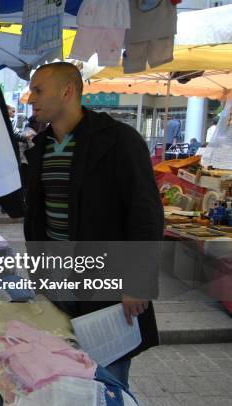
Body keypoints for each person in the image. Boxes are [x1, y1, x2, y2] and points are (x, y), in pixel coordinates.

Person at [24, 62, 163, 387]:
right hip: (56, 282)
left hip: (106, 285)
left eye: (39, 90)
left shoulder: (117, 140)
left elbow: (146, 213)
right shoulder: (42, 147)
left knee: (108, 380)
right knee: (67, 376)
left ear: (68, 91)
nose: (31, 98)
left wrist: (138, 281)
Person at [0, 105, 19, 216]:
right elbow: (13, 135)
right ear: (6, 110)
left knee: (1, 181)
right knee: (2, 181)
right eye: (12, 111)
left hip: (0, 155)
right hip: (2, 155)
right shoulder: (4, 122)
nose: (14, 113)